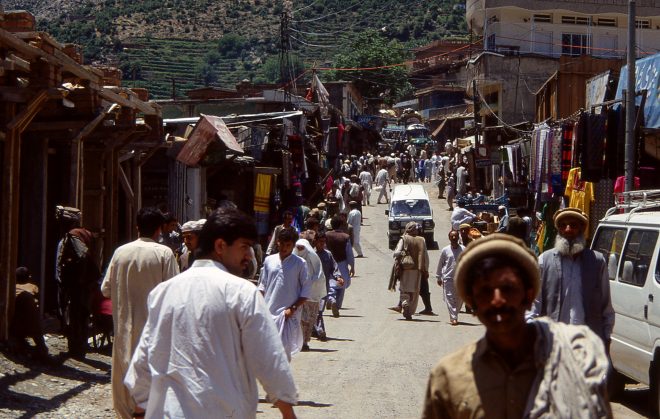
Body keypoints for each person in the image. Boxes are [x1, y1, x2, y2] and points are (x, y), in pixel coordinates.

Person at [124, 208, 298, 419]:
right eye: (244, 247)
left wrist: (141, 409)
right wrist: (288, 411)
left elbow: (145, 357)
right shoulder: (242, 292)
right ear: (220, 246)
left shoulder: (163, 292)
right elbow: (269, 357)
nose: (248, 256)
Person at [422, 234, 612, 418]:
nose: (497, 300)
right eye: (485, 291)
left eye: (508, 289)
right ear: (472, 303)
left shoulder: (577, 358)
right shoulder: (448, 377)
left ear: (529, 296)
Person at [101, 207, 180, 419]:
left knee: (123, 372)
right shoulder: (164, 253)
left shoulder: (121, 252)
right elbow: (175, 293)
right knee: (150, 377)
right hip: (153, 331)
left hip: (123, 327)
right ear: (159, 229)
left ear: (137, 227)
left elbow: (105, 289)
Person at [529, 207, 615, 344]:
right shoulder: (544, 260)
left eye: (573, 225)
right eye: (563, 226)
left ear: (581, 229)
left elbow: (606, 305)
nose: (568, 230)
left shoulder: (598, 262)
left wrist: (607, 335)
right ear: (558, 230)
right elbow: (534, 303)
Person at [55, 205, 101, 358]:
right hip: (84, 282)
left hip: (76, 283)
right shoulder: (85, 233)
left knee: (75, 314)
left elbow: (82, 255)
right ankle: (79, 346)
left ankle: (76, 348)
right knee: (81, 313)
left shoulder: (73, 235)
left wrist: (74, 272)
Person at [259, 229, 312, 360]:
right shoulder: (269, 261)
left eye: (288, 245)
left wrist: (292, 309)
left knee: (284, 353)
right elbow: (262, 285)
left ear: (293, 245)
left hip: (288, 315)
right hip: (268, 312)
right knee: (267, 352)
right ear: (277, 242)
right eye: (282, 244)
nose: (284, 248)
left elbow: (305, 291)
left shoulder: (300, 264)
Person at [10, 267, 50, 361]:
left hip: (15, 321)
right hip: (30, 321)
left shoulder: (11, 288)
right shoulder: (33, 287)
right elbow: (37, 300)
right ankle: (41, 350)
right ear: (29, 277)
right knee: (36, 327)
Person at [293, 239, 326, 351]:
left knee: (309, 320)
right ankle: (299, 342)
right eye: (298, 247)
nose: (300, 250)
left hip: (311, 296)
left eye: (302, 247)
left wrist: (310, 282)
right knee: (299, 320)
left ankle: (305, 342)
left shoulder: (313, 258)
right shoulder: (294, 260)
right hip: (298, 296)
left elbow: (319, 275)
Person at [393, 222, 429, 320]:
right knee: (414, 291)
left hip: (405, 269)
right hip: (417, 270)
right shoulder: (422, 240)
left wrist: (403, 253)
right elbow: (425, 257)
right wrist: (425, 269)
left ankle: (405, 304)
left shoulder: (404, 238)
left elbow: (396, 253)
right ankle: (409, 309)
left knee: (404, 289)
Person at [313, 232, 342, 340]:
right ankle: (319, 330)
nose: (322, 244)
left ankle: (319, 330)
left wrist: (338, 277)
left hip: (323, 288)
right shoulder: (310, 254)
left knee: (319, 310)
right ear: (315, 241)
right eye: (320, 242)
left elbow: (334, 267)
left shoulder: (328, 254)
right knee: (315, 310)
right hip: (311, 289)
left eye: (324, 242)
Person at [325, 216, 355, 317]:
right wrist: (352, 266)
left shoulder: (326, 235)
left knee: (330, 283)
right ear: (341, 225)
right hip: (341, 263)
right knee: (341, 284)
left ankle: (331, 298)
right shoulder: (345, 237)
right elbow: (349, 253)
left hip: (328, 262)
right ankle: (337, 305)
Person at [436, 231, 465, 325]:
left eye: (455, 236)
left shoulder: (464, 249)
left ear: (458, 237)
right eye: (452, 236)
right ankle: (453, 317)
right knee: (449, 298)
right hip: (448, 278)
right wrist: (438, 277)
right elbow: (440, 264)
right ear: (449, 238)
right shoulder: (445, 250)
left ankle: (455, 314)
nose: (453, 238)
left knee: (460, 298)